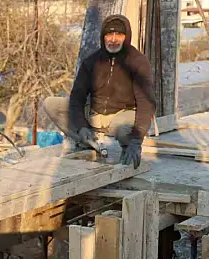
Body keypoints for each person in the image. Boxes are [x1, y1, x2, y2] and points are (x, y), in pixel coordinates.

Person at [43, 14, 155, 169]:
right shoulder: (92, 61)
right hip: (95, 114)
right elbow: (77, 98)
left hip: (121, 115)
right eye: (109, 34)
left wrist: (136, 140)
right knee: (51, 104)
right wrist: (81, 126)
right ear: (103, 36)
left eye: (119, 35)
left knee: (125, 130)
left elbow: (146, 103)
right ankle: (86, 141)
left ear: (126, 36)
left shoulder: (138, 62)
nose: (113, 39)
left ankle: (128, 149)